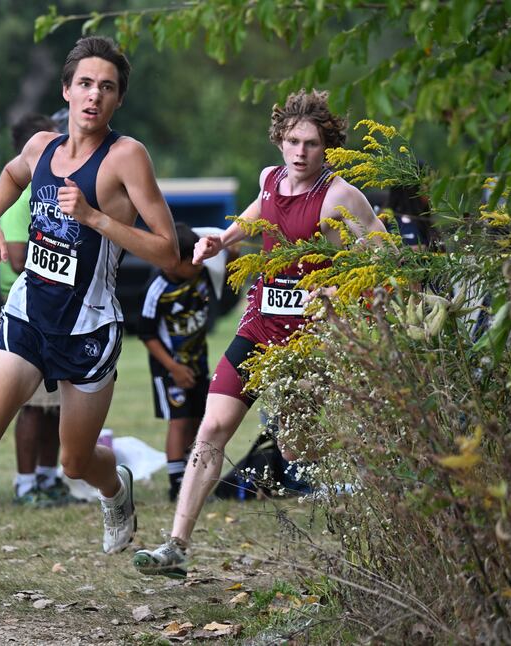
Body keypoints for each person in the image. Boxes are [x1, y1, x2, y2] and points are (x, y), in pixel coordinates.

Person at [0, 35, 179, 631]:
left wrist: (96, 218)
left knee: (75, 461)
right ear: (66, 90)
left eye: (106, 87)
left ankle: (116, 486)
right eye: (85, 83)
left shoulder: (127, 157)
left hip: (89, 329)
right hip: (28, 313)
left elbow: (168, 250)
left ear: (117, 100)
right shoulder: (41, 145)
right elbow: (8, 175)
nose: (94, 95)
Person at [132, 89, 386, 578]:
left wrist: (339, 290)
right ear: (280, 141)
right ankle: (176, 545)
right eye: (292, 141)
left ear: (326, 146)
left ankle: (368, 495)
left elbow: (385, 252)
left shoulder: (339, 195)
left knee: (296, 450)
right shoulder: (270, 179)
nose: (299, 152)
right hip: (259, 327)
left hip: (309, 340)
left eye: (310, 143)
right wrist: (220, 240)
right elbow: (256, 215)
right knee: (212, 428)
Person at [0, 112, 70, 506]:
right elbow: (15, 259)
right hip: (30, 312)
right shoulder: (23, 196)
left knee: (55, 405)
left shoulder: (54, 190)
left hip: (61, 312)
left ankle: (48, 476)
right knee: (31, 406)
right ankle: (26, 483)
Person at [138, 223, 211, 502]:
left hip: (198, 363)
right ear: (171, 262)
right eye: (190, 261)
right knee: (178, 421)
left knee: (197, 419)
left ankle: (192, 475)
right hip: (170, 369)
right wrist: (173, 368)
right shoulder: (157, 289)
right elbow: (145, 333)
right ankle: (176, 484)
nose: (197, 265)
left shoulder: (201, 275)